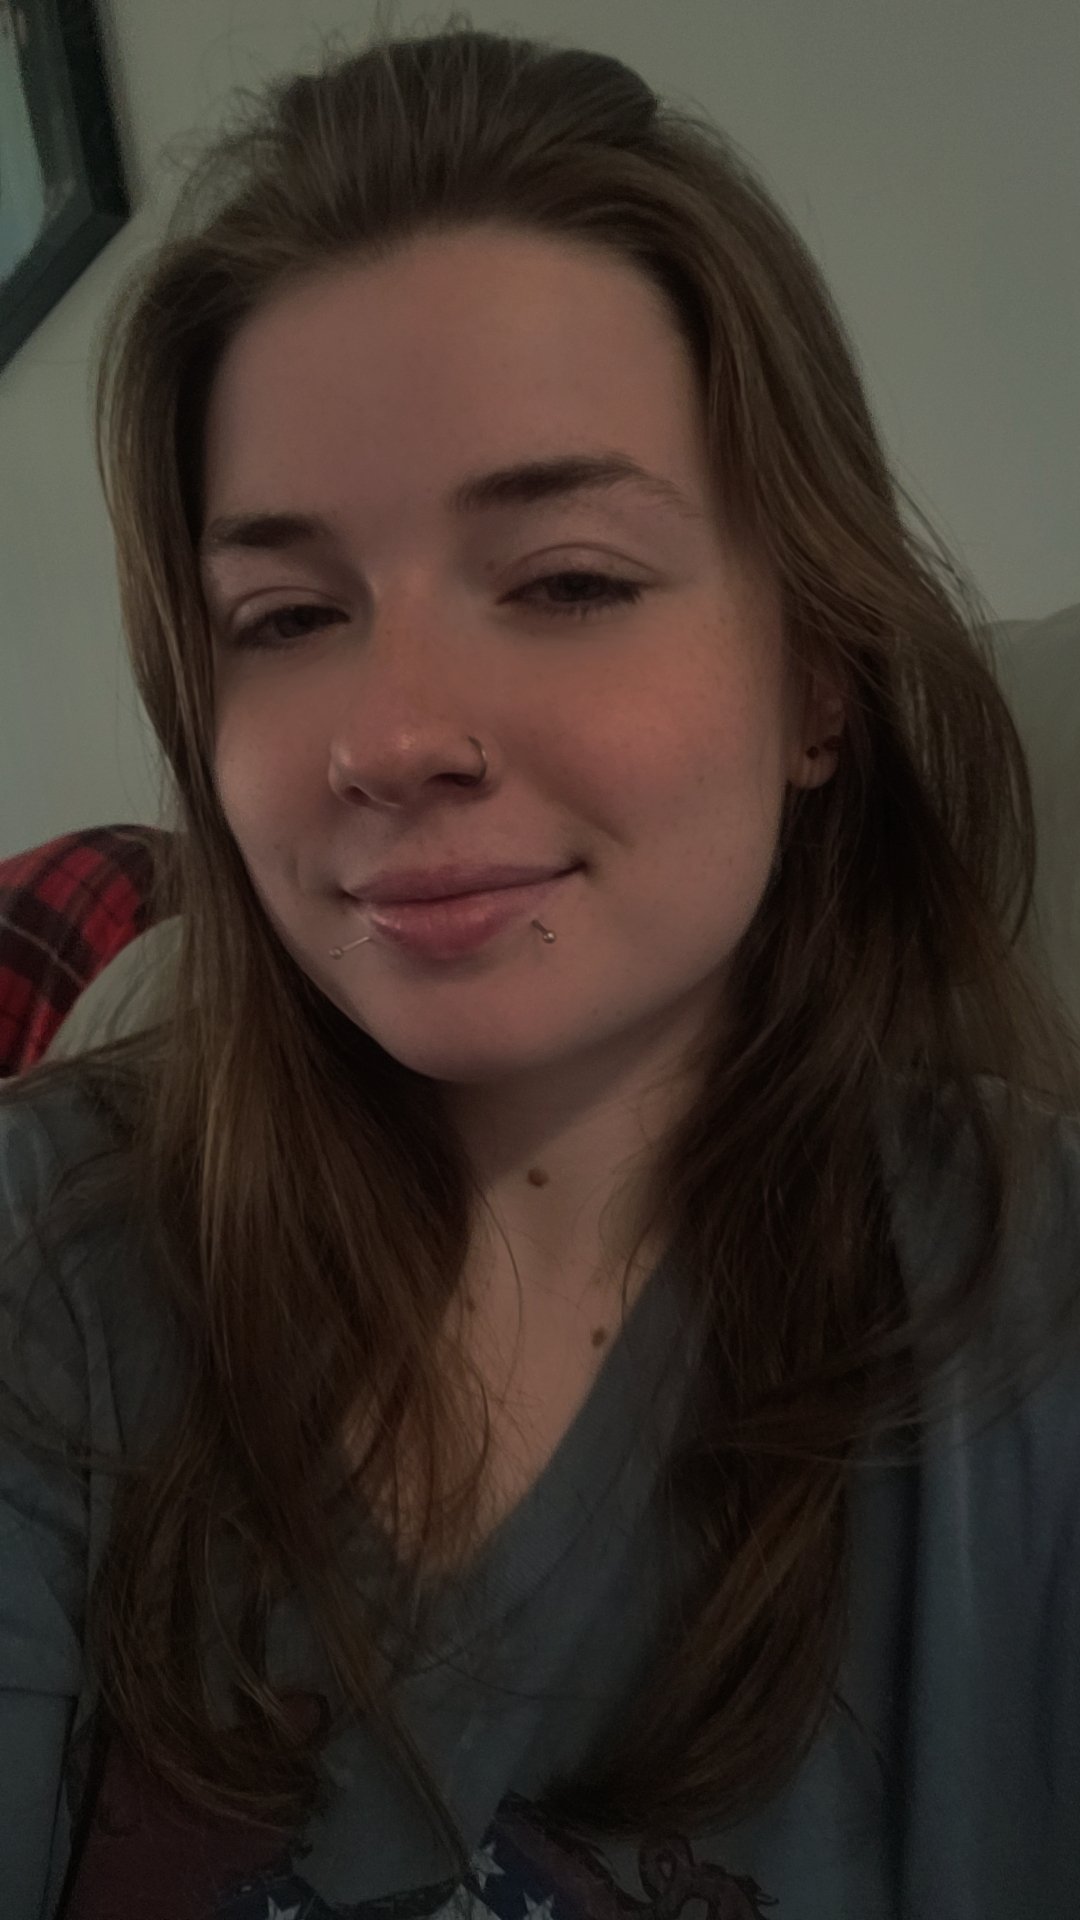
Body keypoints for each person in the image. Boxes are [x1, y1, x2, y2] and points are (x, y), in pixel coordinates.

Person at [2, 17, 1079, 1918]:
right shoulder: (43, 1257)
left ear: (817, 677)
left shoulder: (1032, 1293)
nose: (391, 735)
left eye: (569, 579)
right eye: (287, 614)